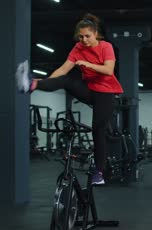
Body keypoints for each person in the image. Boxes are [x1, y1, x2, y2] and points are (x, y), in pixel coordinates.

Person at [16, 13, 123, 185]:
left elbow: (109, 70)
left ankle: (100, 173)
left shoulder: (106, 47)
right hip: (89, 91)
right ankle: (31, 85)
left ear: (96, 34)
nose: (84, 40)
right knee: (65, 80)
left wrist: (89, 65)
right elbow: (63, 70)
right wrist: (43, 82)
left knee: (98, 130)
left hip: (106, 93)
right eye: (80, 36)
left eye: (87, 36)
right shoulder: (78, 48)